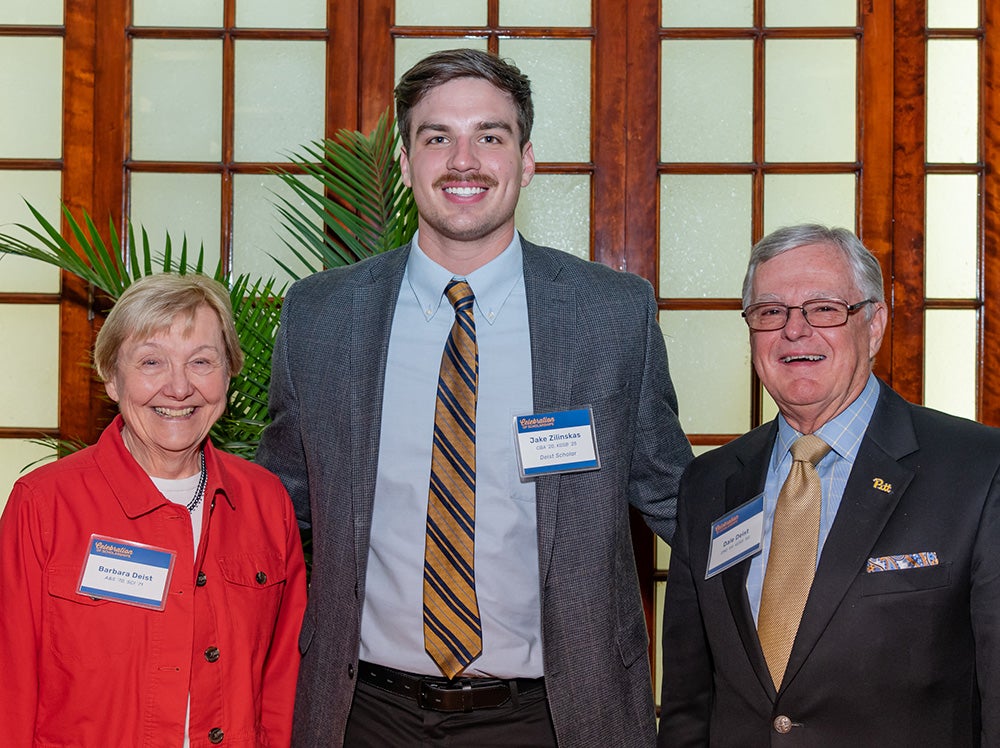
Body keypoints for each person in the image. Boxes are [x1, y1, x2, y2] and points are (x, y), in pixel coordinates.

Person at [256, 48, 693, 747]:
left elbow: (677, 497)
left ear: (525, 162)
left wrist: (816, 553)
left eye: (490, 136)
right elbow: (274, 510)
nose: (464, 161)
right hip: (363, 715)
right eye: (437, 138)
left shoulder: (611, 315)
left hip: (554, 717)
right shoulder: (320, 317)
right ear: (404, 163)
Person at [657, 224, 1000, 746]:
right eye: (770, 312)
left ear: (875, 324)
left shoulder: (977, 469)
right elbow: (688, 705)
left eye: (824, 308)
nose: (795, 331)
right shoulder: (708, 484)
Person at [0, 273, 307, 747]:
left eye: (201, 361)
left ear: (228, 376)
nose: (179, 388)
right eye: (151, 362)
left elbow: (284, 681)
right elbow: (10, 684)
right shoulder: (43, 505)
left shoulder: (267, 504)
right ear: (112, 378)